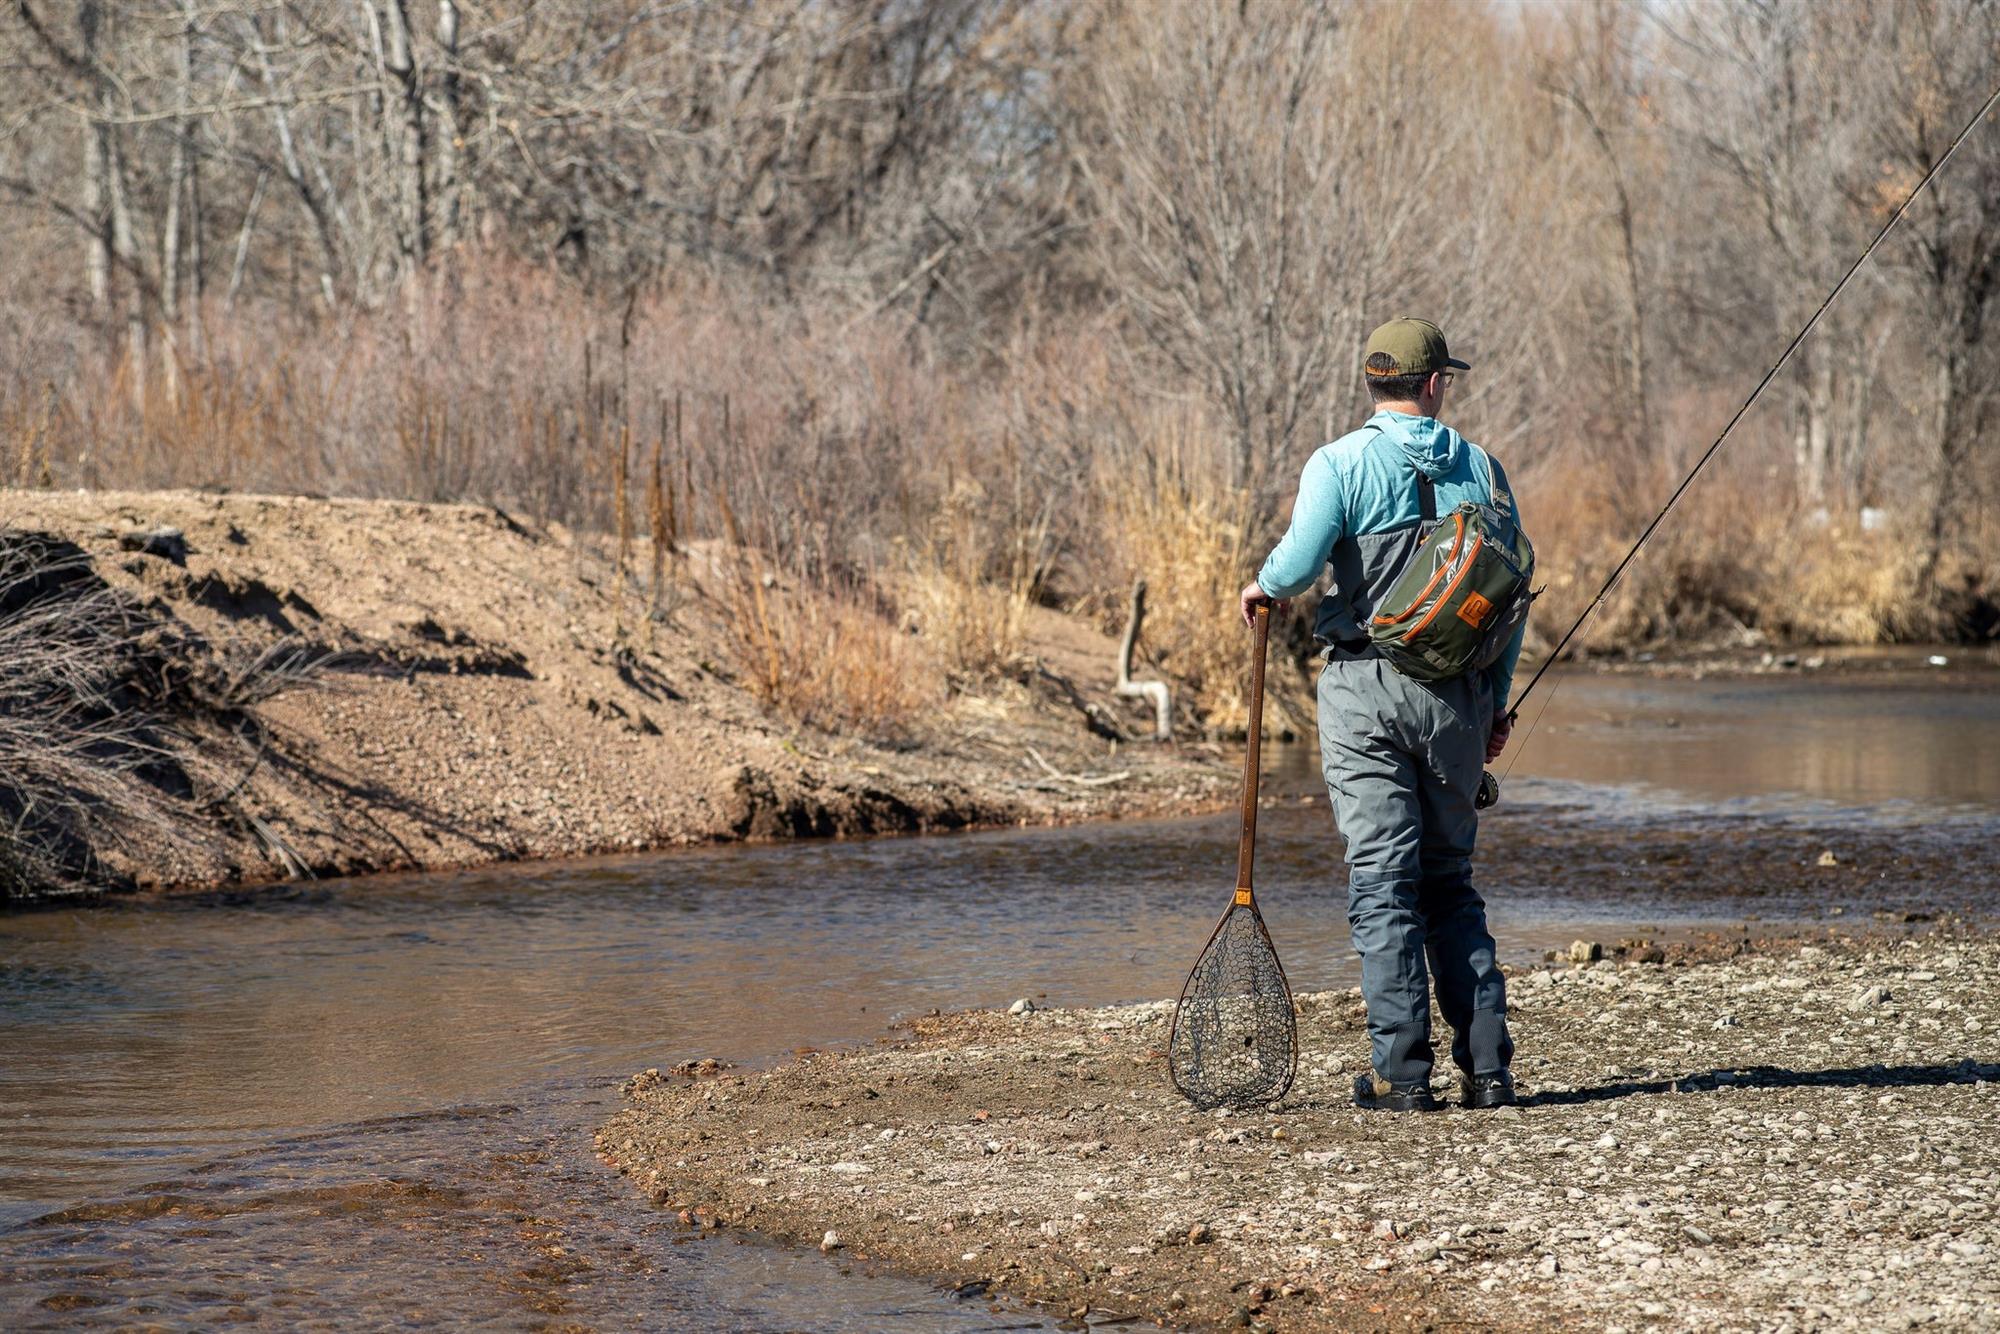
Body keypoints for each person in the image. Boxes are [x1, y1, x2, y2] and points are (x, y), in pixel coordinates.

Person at [1239, 317, 1527, 1113]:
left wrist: (1260, 586)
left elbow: (1296, 568)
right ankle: (1489, 1072)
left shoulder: (1337, 463)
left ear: (1375, 382)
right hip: (1459, 703)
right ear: (1434, 384)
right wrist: (1495, 703)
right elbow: (1513, 596)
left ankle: (1401, 1076)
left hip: (1363, 691)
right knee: (1449, 883)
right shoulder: (1486, 471)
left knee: (1383, 882)